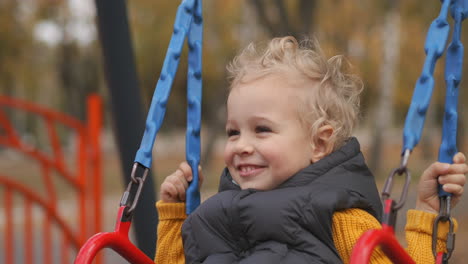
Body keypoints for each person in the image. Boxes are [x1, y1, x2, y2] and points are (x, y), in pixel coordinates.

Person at [154, 36, 467, 264]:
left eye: (262, 129)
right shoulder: (212, 215)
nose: (242, 145)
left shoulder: (340, 219)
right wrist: (173, 216)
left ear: (319, 143)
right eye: (233, 132)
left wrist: (428, 213)